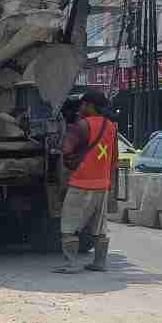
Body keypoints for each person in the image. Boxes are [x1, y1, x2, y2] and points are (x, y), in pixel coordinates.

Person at [55, 90, 117, 273]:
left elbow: (66, 149)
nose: (80, 107)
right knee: (99, 227)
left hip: (81, 183)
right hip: (102, 184)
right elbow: (114, 158)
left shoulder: (81, 125)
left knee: (69, 224)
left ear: (90, 105)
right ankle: (99, 262)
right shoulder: (111, 126)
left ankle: (71, 264)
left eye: (83, 104)